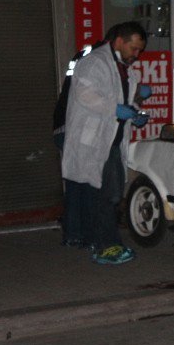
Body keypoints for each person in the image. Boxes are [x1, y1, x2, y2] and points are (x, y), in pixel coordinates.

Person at [61, 21, 151, 265]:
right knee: (106, 196)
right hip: (95, 142)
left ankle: (92, 240)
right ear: (119, 41)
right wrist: (115, 110)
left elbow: (123, 101)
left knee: (104, 194)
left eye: (139, 50)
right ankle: (106, 246)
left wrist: (135, 111)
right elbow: (86, 95)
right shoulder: (94, 63)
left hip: (111, 141)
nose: (136, 54)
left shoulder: (124, 69)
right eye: (134, 48)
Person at [53, 26, 119, 248]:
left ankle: (78, 232)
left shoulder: (88, 55)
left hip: (74, 126)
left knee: (81, 182)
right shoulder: (92, 58)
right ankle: (75, 233)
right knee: (78, 183)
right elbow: (84, 94)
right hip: (71, 127)